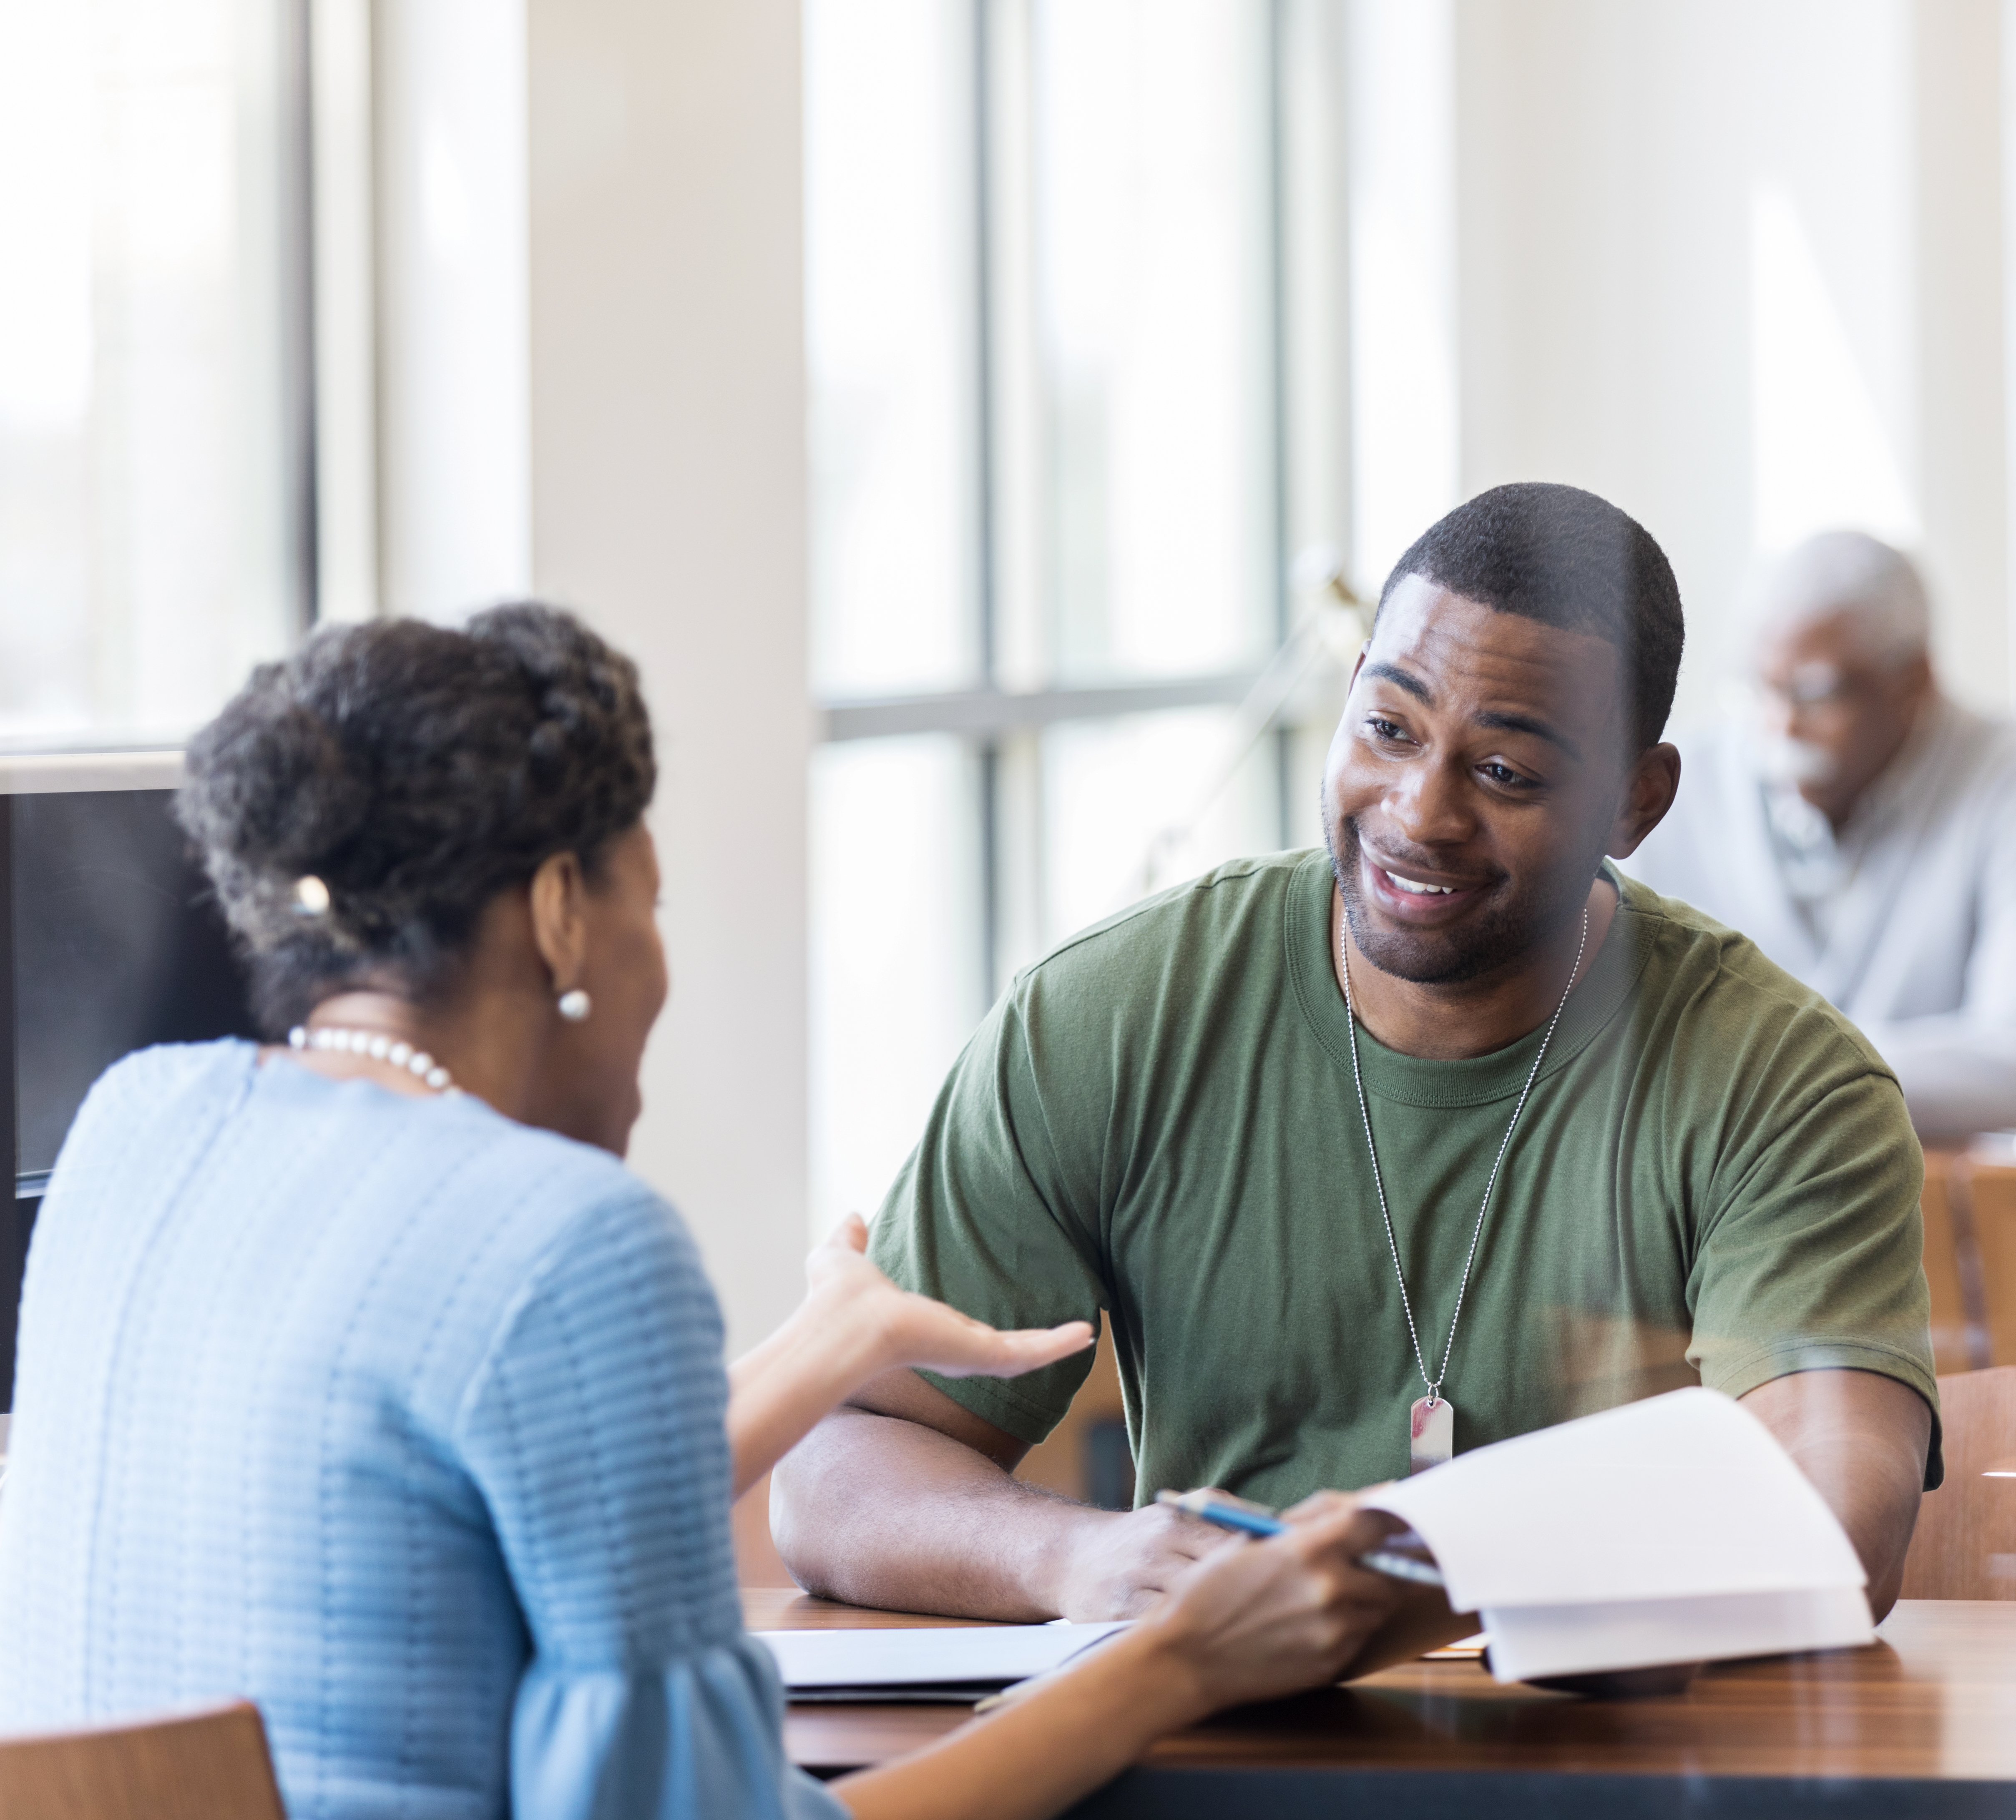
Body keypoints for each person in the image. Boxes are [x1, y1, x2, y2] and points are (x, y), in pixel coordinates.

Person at [0, 606, 1405, 1820]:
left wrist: (810, 1359)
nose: (658, 966)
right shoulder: (569, 1236)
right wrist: (1179, 1657)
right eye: (649, 903)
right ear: (560, 910)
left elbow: (412, 1484)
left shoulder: (135, 1125)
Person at [776, 482, 1940, 1632]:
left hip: (1612, 1754)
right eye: (1388, 728)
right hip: (1203, 1745)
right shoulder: (1112, 1011)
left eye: (1505, 772)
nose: (1418, 810)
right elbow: (835, 1465)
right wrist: (1073, 1556)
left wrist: (1408, 1570)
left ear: (1636, 802)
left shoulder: (1781, 1080)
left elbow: (1831, 1522)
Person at [1626, 532, 2016, 1142]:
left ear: (1914, 681)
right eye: (1762, 688)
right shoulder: (1674, 787)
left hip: (1929, 1221)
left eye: (1816, 693)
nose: (1781, 726)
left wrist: (1752, 1068)